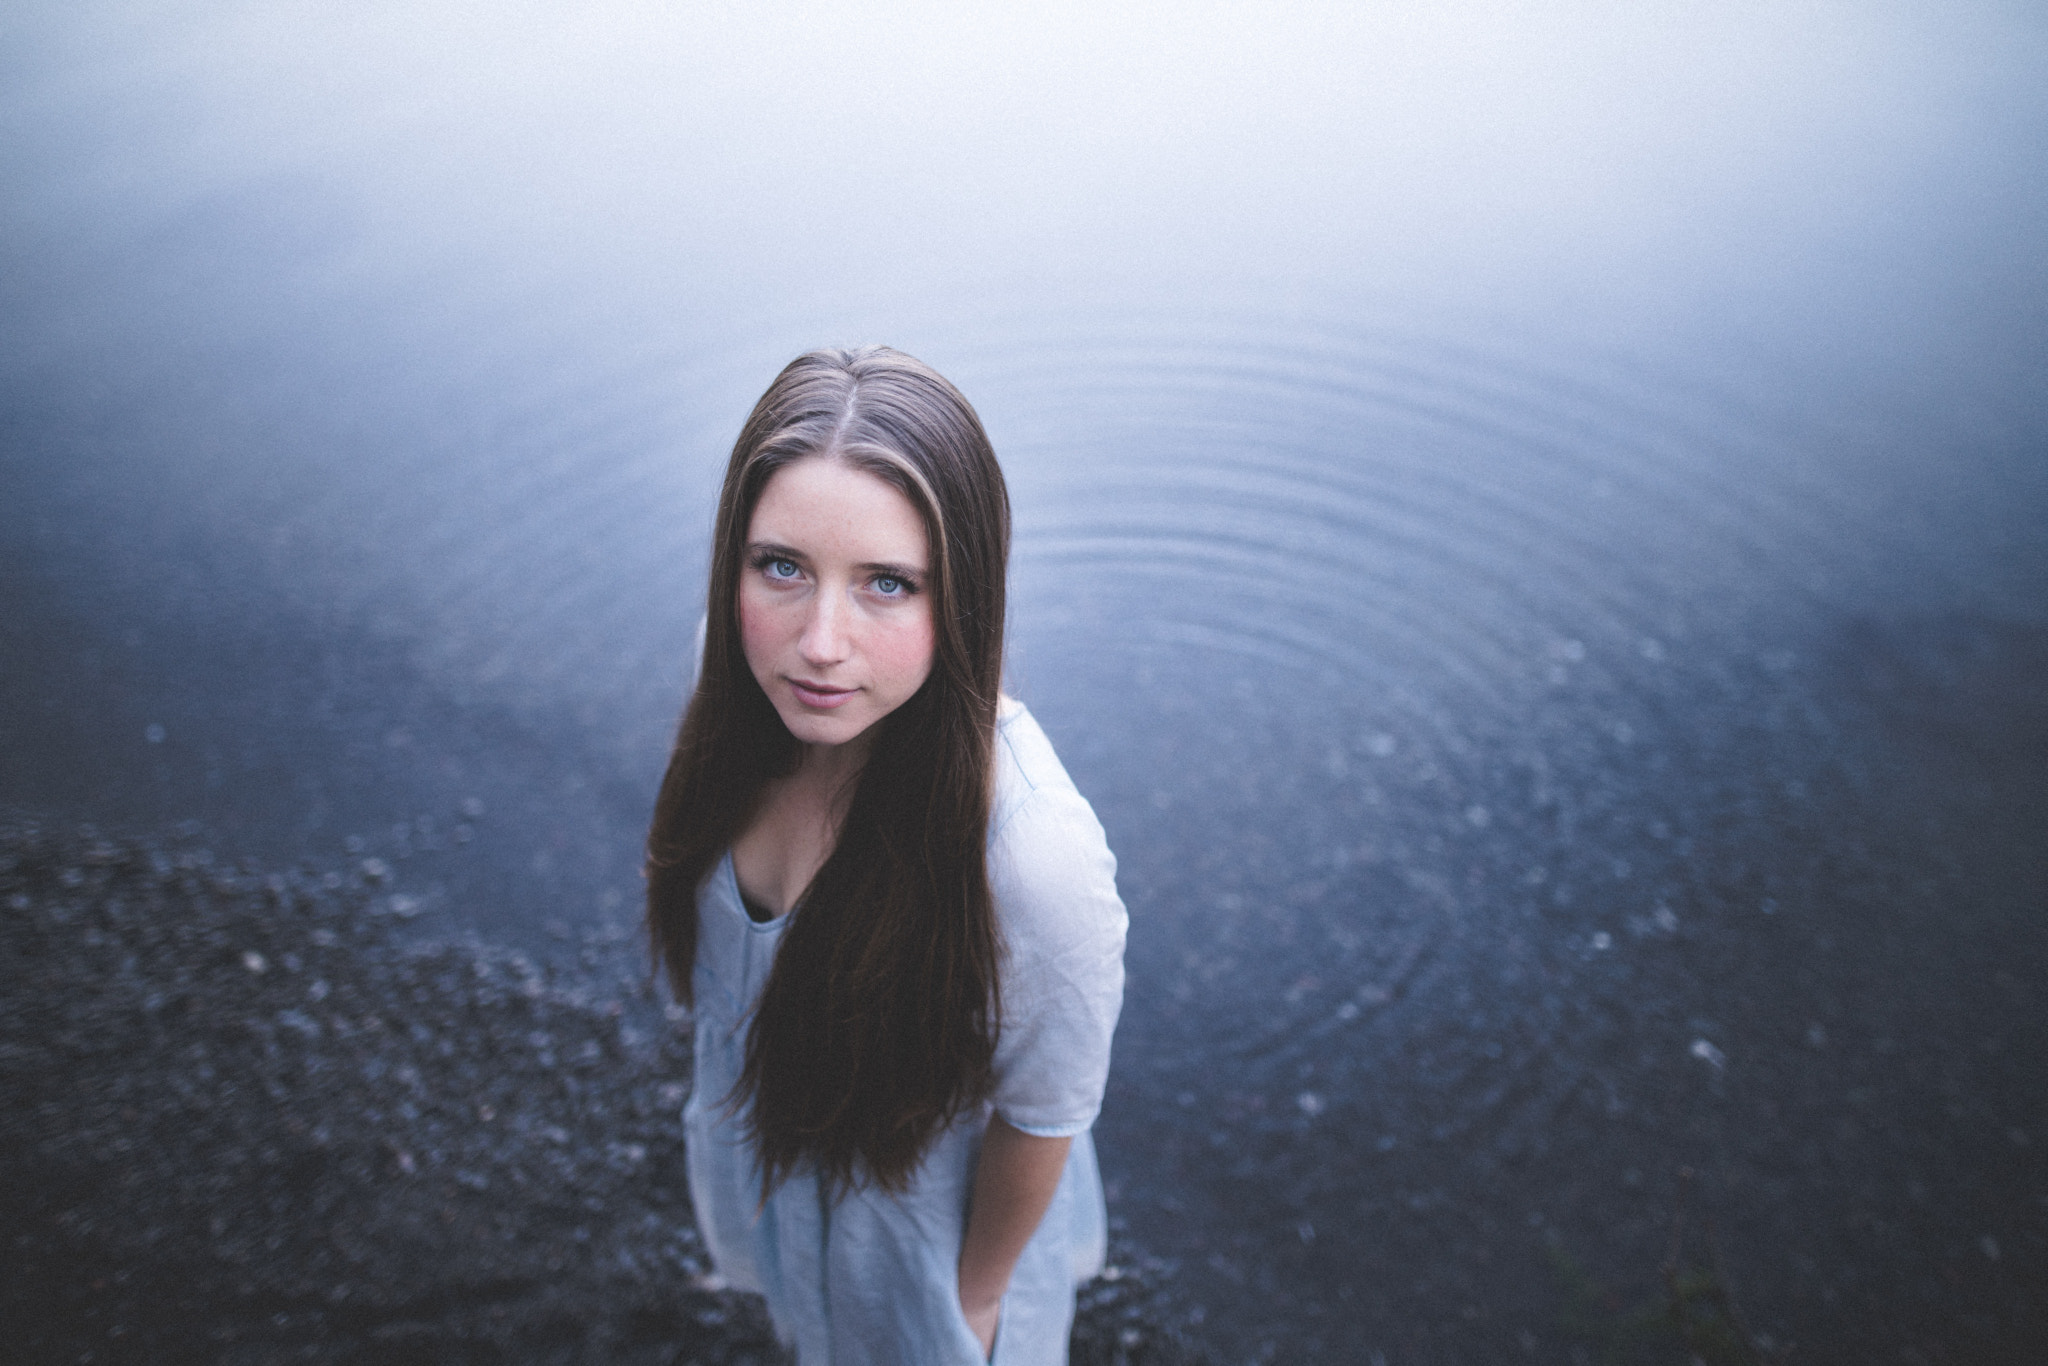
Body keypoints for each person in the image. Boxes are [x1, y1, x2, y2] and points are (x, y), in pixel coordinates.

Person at [645, 345, 1128, 1364]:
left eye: (886, 584)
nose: (819, 641)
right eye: (781, 565)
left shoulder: (1032, 858)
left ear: (963, 599)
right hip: (781, 1162)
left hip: (920, 1240)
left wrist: (971, 1300)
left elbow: (1042, 1115)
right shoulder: (732, 682)